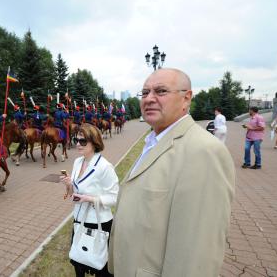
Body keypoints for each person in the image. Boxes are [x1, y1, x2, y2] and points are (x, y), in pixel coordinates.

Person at [108, 68, 235, 277]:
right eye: (145, 92)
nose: (149, 99)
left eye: (161, 91)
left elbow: (196, 254)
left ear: (186, 99)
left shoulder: (203, 151)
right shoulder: (154, 140)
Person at [61, 123, 119, 277]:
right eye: (76, 140)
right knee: (78, 263)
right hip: (79, 219)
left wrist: (89, 199)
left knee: (100, 267)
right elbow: (73, 192)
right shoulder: (77, 162)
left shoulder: (105, 167)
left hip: (98, 222)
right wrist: (69, 185)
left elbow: (114, 197)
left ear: (94, 142)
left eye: (83, 141)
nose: (78, 144)